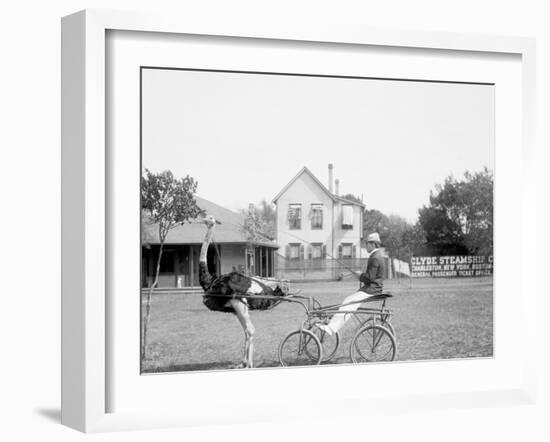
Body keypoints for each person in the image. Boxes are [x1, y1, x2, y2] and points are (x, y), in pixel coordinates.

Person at [317, 233, 386, 336]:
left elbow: (369, 278)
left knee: (348, 303)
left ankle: (331, 328)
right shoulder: (377, 256)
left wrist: (360, 275)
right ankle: (332, 325)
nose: (366, 245)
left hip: (372, 289)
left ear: (373, 244)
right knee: (348, 301)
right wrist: (361, 274)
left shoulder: (375, 257)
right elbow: (372, 276)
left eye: (367, 243)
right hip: (373, 288)